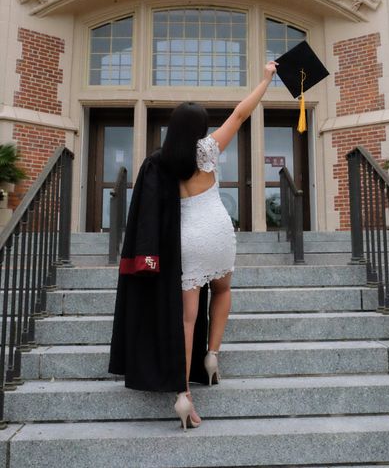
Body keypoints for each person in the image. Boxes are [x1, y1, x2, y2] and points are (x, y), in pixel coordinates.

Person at [108, 61, 277, 430]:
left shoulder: (161, 162)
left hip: (188, 242)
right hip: (218, 233)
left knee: (187, 318)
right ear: (200, 129)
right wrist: (265, 79)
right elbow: (240, 113)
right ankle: (212, 356)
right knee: (223, 288)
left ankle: (183, 394)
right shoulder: (208, 150)